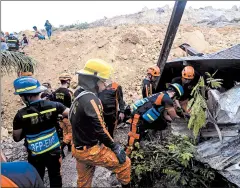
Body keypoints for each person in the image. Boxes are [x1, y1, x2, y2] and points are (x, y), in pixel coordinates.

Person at [70, 59, 131, 187]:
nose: (104, 86)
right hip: (89, 150)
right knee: (125, 164)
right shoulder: (91, 100)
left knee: (84, 181)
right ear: (94, 81)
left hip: (78, 148)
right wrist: (115, 146)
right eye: (103, 82)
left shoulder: (79, 96)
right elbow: (100, 129)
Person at [12, 76, 70, 187]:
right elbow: (71, 113)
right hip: (54, 151)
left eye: (21, 96)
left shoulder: (21, 115)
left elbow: (17, 137)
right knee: (56, 178)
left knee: (37, 179)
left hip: (36, 156)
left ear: (27, 96)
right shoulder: (54, 106)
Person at [126, 83, 184, 155]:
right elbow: (174, 117)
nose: (175, 100)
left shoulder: (162, 94)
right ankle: (127, 156)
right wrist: (183, 123)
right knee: (133, 138)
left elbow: (166, 116)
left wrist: (174, 121)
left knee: (163, 124)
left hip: (144, 118)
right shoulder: (167, 99)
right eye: (176, 98)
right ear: (174, 93)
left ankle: (145, 138)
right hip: (138, 117)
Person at [53, 73, 73, 158]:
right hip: (68, 117)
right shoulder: (69, 92)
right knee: (71, 133)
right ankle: (61, 147)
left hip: (59, 117)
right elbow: (72, 106)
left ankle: (69, 148)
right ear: (68, 81)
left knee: (65, 132)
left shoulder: (55, 92)